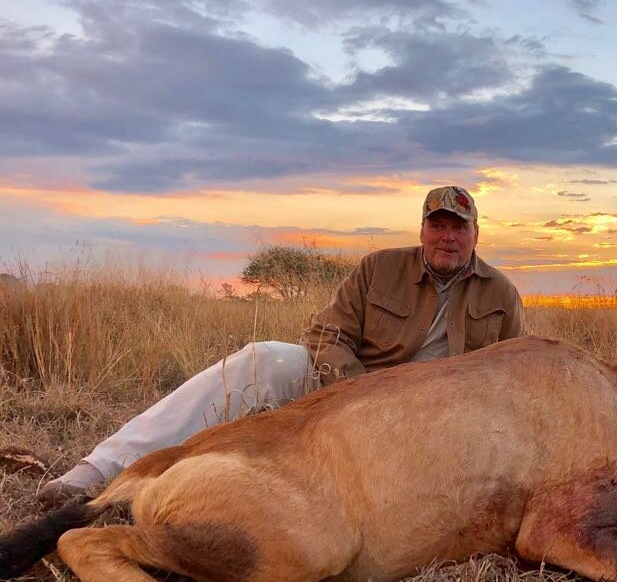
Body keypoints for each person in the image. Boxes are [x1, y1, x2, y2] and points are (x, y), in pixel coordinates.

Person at [38, 186, 526, 506]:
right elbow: (326, 335)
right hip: (350, 387)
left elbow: (509, 378)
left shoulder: (501, 294)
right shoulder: (379, 267)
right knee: (262, 360)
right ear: (422, 231)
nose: (448, 237)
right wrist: (357, 393)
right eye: (438, 225)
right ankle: (97, 470)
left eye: (459, 227)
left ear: (476, 234)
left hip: (435, 419)